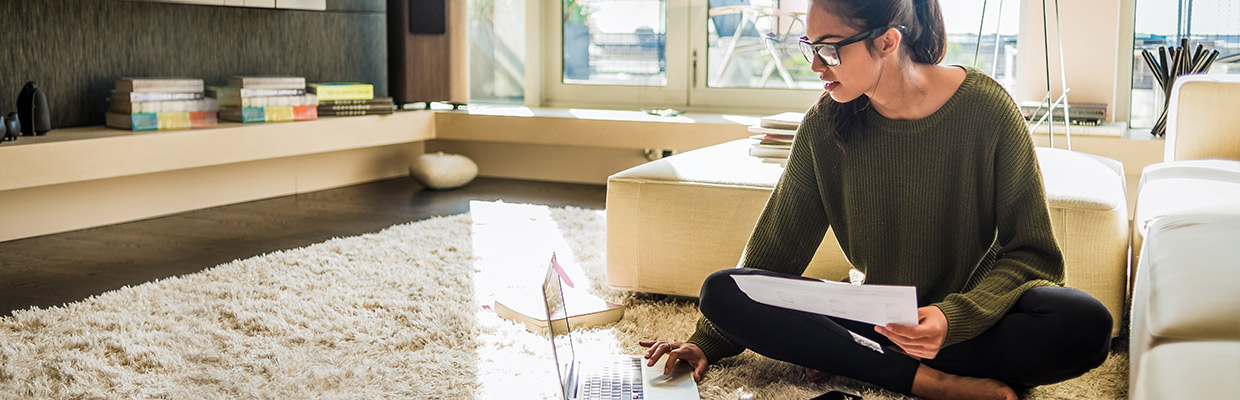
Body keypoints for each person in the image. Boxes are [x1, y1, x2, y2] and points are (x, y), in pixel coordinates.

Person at [638, 0, 1113, 399]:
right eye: (809, 46)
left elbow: (1032, 252)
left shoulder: (987, 110)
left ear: (887, 41)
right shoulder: (826, 125)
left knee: (1084, 324)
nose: (815, 65)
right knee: (723, 291)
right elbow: (773, 255)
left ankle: (855, 359)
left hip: (967, 322)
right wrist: (709, 341)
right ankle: (928, 382)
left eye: (828, 49)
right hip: (873, 322)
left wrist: (951, 319)